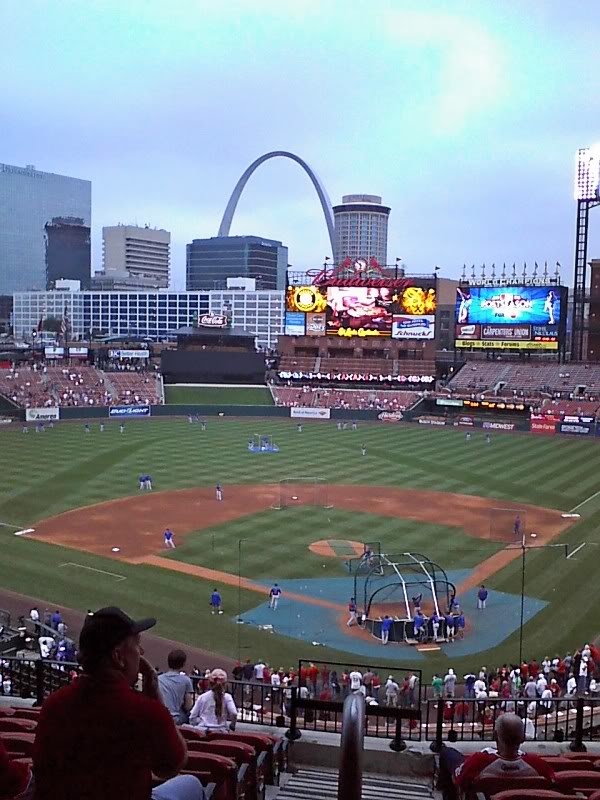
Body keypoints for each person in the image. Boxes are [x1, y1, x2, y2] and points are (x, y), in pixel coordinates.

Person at [32, 606, 204, 800]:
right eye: (137, 645)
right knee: (192, 785)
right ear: (118, 657)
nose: (141, 651)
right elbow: (172, 765)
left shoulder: (54, 705)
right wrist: (153, 690)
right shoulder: (144, 710)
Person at [437, 712, 555, 800]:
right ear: (523, 738)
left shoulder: (480, 761)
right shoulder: (536, 763)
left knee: (448, 753)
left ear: (495, 735)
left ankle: (442, 749)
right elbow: (553, 782)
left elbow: (459, 780)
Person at [188, 668, 237, 734]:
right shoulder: (227, 697)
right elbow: (234, 713)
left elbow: (192, 717)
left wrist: (196, 726)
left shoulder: (202, 697)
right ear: (225, 684)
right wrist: (232, 725)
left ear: (210, 683)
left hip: (203, 731)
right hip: (221, 732)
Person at [158, 650, 194, 725]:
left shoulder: (159, 678)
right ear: (183, 664)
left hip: (160, 717)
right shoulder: (186, 680)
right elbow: (188, 706)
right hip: (176, 719)